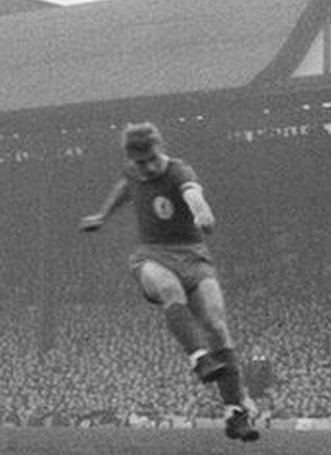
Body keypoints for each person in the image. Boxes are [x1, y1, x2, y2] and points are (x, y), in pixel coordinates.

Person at [78, 122, 260, 442]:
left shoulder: (178, 171)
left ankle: (236, 413)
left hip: (193, 255)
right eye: (139, 162)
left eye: (151, 159)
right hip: (152, 255)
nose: (146, 167)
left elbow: (193, 193)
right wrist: (102, 216)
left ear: (159, 148)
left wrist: (203, 213)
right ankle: (199, 358)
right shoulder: (133, 172)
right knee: (169, 289)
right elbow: (125, 187)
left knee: (217, 325)